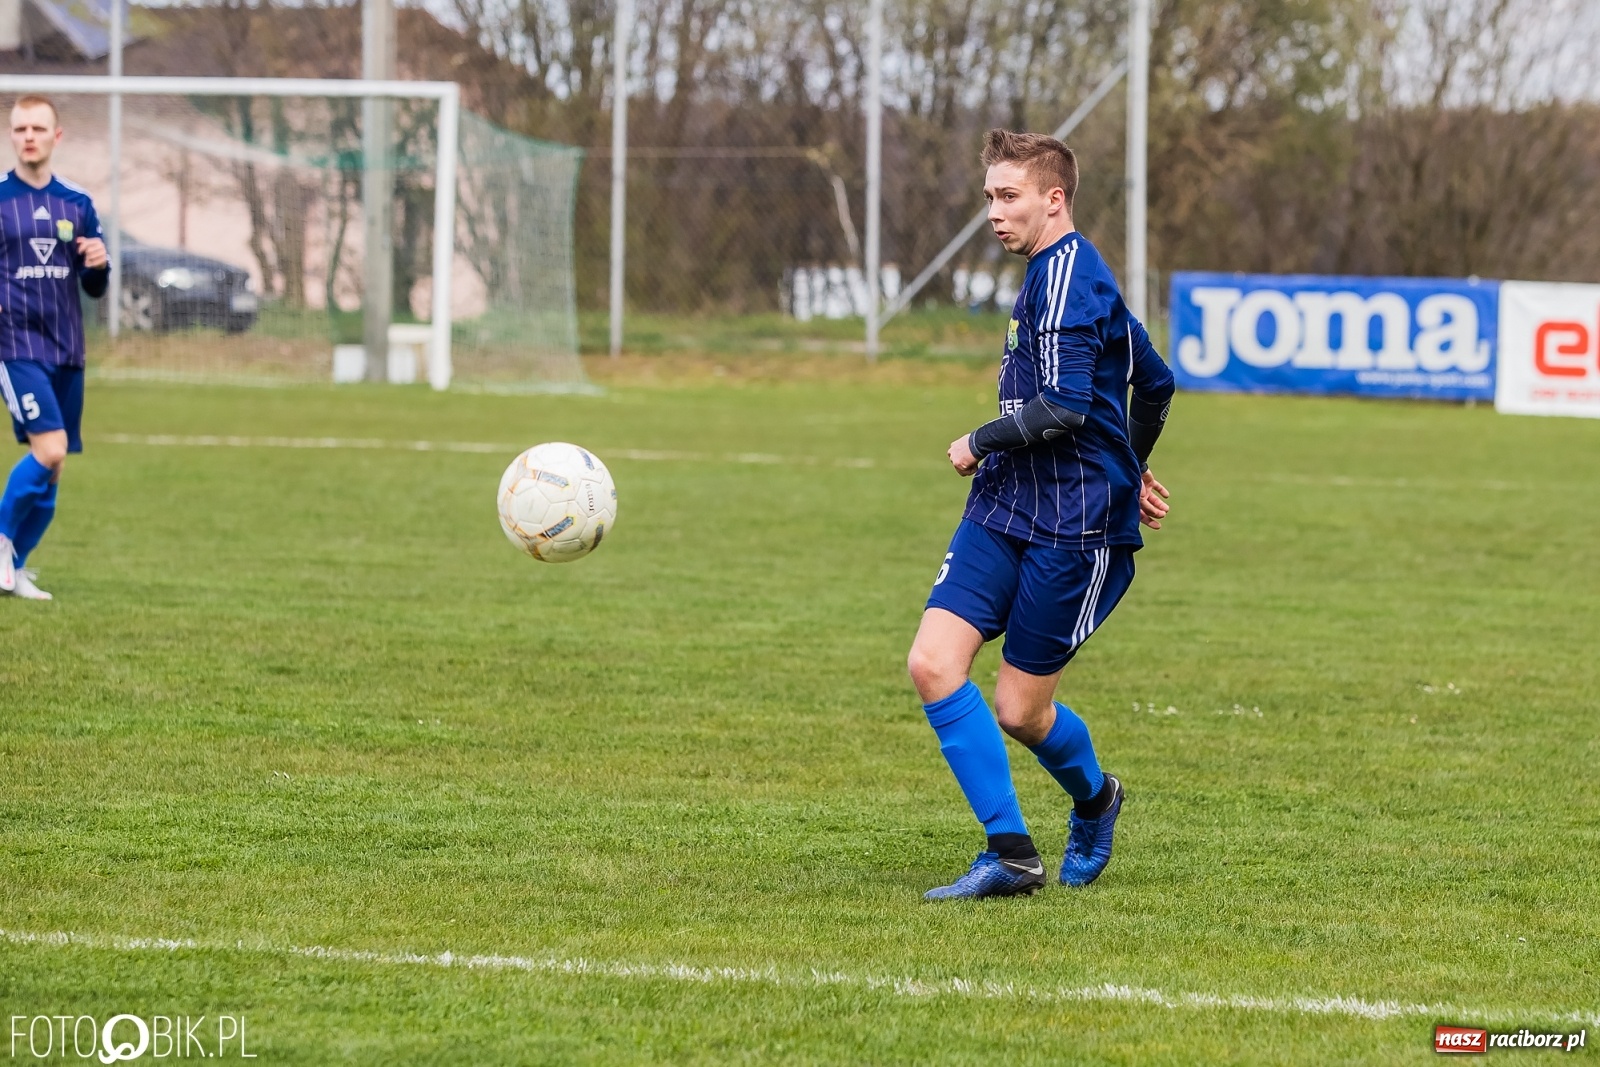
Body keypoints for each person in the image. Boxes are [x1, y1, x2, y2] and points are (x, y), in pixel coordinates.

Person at [908, 129, 1175, 900]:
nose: (993, 211)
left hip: (1073, 525)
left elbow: (1062, 406)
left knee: (1022, 709)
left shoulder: (1066, 281)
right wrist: (1133, 457)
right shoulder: (1062, 274)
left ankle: (1096, 799)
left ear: (1053, 199)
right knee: (933, 663)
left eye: (1008, 195)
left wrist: (979, 439)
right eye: (990, 194)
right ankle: (1011, 852)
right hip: (1003, 506)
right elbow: (1151, 382)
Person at [0, 95, 109, 600]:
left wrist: (99, 265)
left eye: (38, 128)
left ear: (56, 136)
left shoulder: (78, 205)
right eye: (20, 128)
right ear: (12, 135)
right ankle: (0, 544)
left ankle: (14, 568)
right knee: (51, 448)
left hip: (68, 348)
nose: (28, 136)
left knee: (55, 464)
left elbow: (94, 289)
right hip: (16, 345)